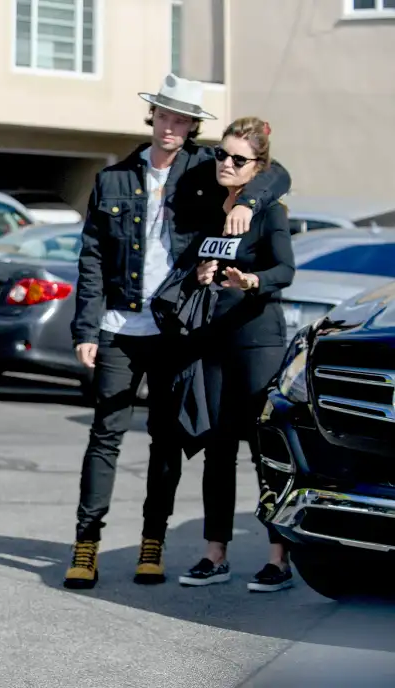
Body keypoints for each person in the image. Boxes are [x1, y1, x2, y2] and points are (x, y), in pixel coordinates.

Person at [64, 74, 292, 589]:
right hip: (118, 326)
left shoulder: (207, 168)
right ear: (153, 117)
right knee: (105, 434)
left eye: (182, 120)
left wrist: (247, 203)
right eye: (165, 116)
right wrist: (86, 328)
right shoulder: (113, 178)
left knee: (166, 440)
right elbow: (92, 258)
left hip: (174, 330)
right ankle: (86, 544)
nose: (171, 126)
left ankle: (154, 542)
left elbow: (275, 173)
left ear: (192, 127)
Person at [177, 117, 296, 591]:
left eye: (238, 159)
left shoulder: (269, 211)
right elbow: (196, 261)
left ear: (257, 166)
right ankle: (215, 554)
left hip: (258, 339)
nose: (226, 163)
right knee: (218, 448)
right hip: (214, 340)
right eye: (221, 154)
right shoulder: (212, 207)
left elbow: (286, 270)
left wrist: (252, 280)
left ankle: (278, 558)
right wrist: (201, 274)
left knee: (265, 451)